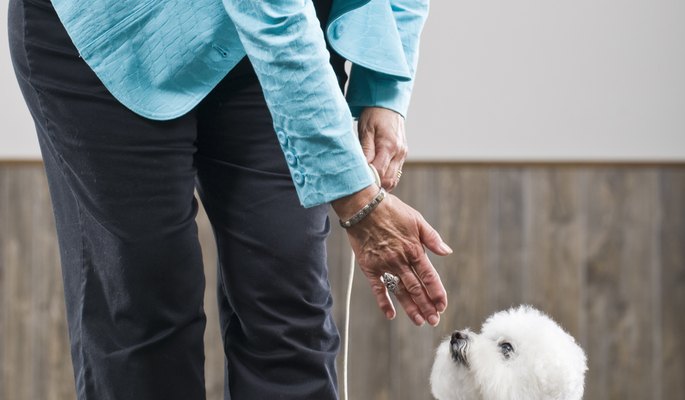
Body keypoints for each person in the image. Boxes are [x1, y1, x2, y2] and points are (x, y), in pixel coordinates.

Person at [9, 0, 450, 399]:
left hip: (272, 35)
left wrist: (383, 89)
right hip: (121, 36)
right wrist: (359, 203)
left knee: (289, 308)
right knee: (146, 314)